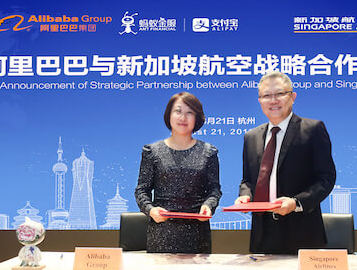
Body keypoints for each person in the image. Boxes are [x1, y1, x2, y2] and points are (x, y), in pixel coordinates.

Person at [236, 71, 336, 254]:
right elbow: (247, 180)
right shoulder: (251, 136)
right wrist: (245, 196)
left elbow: (326, 178)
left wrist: (296, 202)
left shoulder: (313, 129)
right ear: (260, 100)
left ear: (293, 97)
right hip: (262, 234)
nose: (273, 100)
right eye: (267, 95)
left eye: (280, 94)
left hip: (302, 232)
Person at [135, 92, 221, 253]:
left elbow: (214, 190)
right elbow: (141, 190)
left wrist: (208, 206)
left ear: (197, 118)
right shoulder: (152, 152)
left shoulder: (209, 152)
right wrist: (151, 210)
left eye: (190, 113)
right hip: (162, 232)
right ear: (169, 115)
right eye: (178, 111)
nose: (183, 117)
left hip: (197, 233)